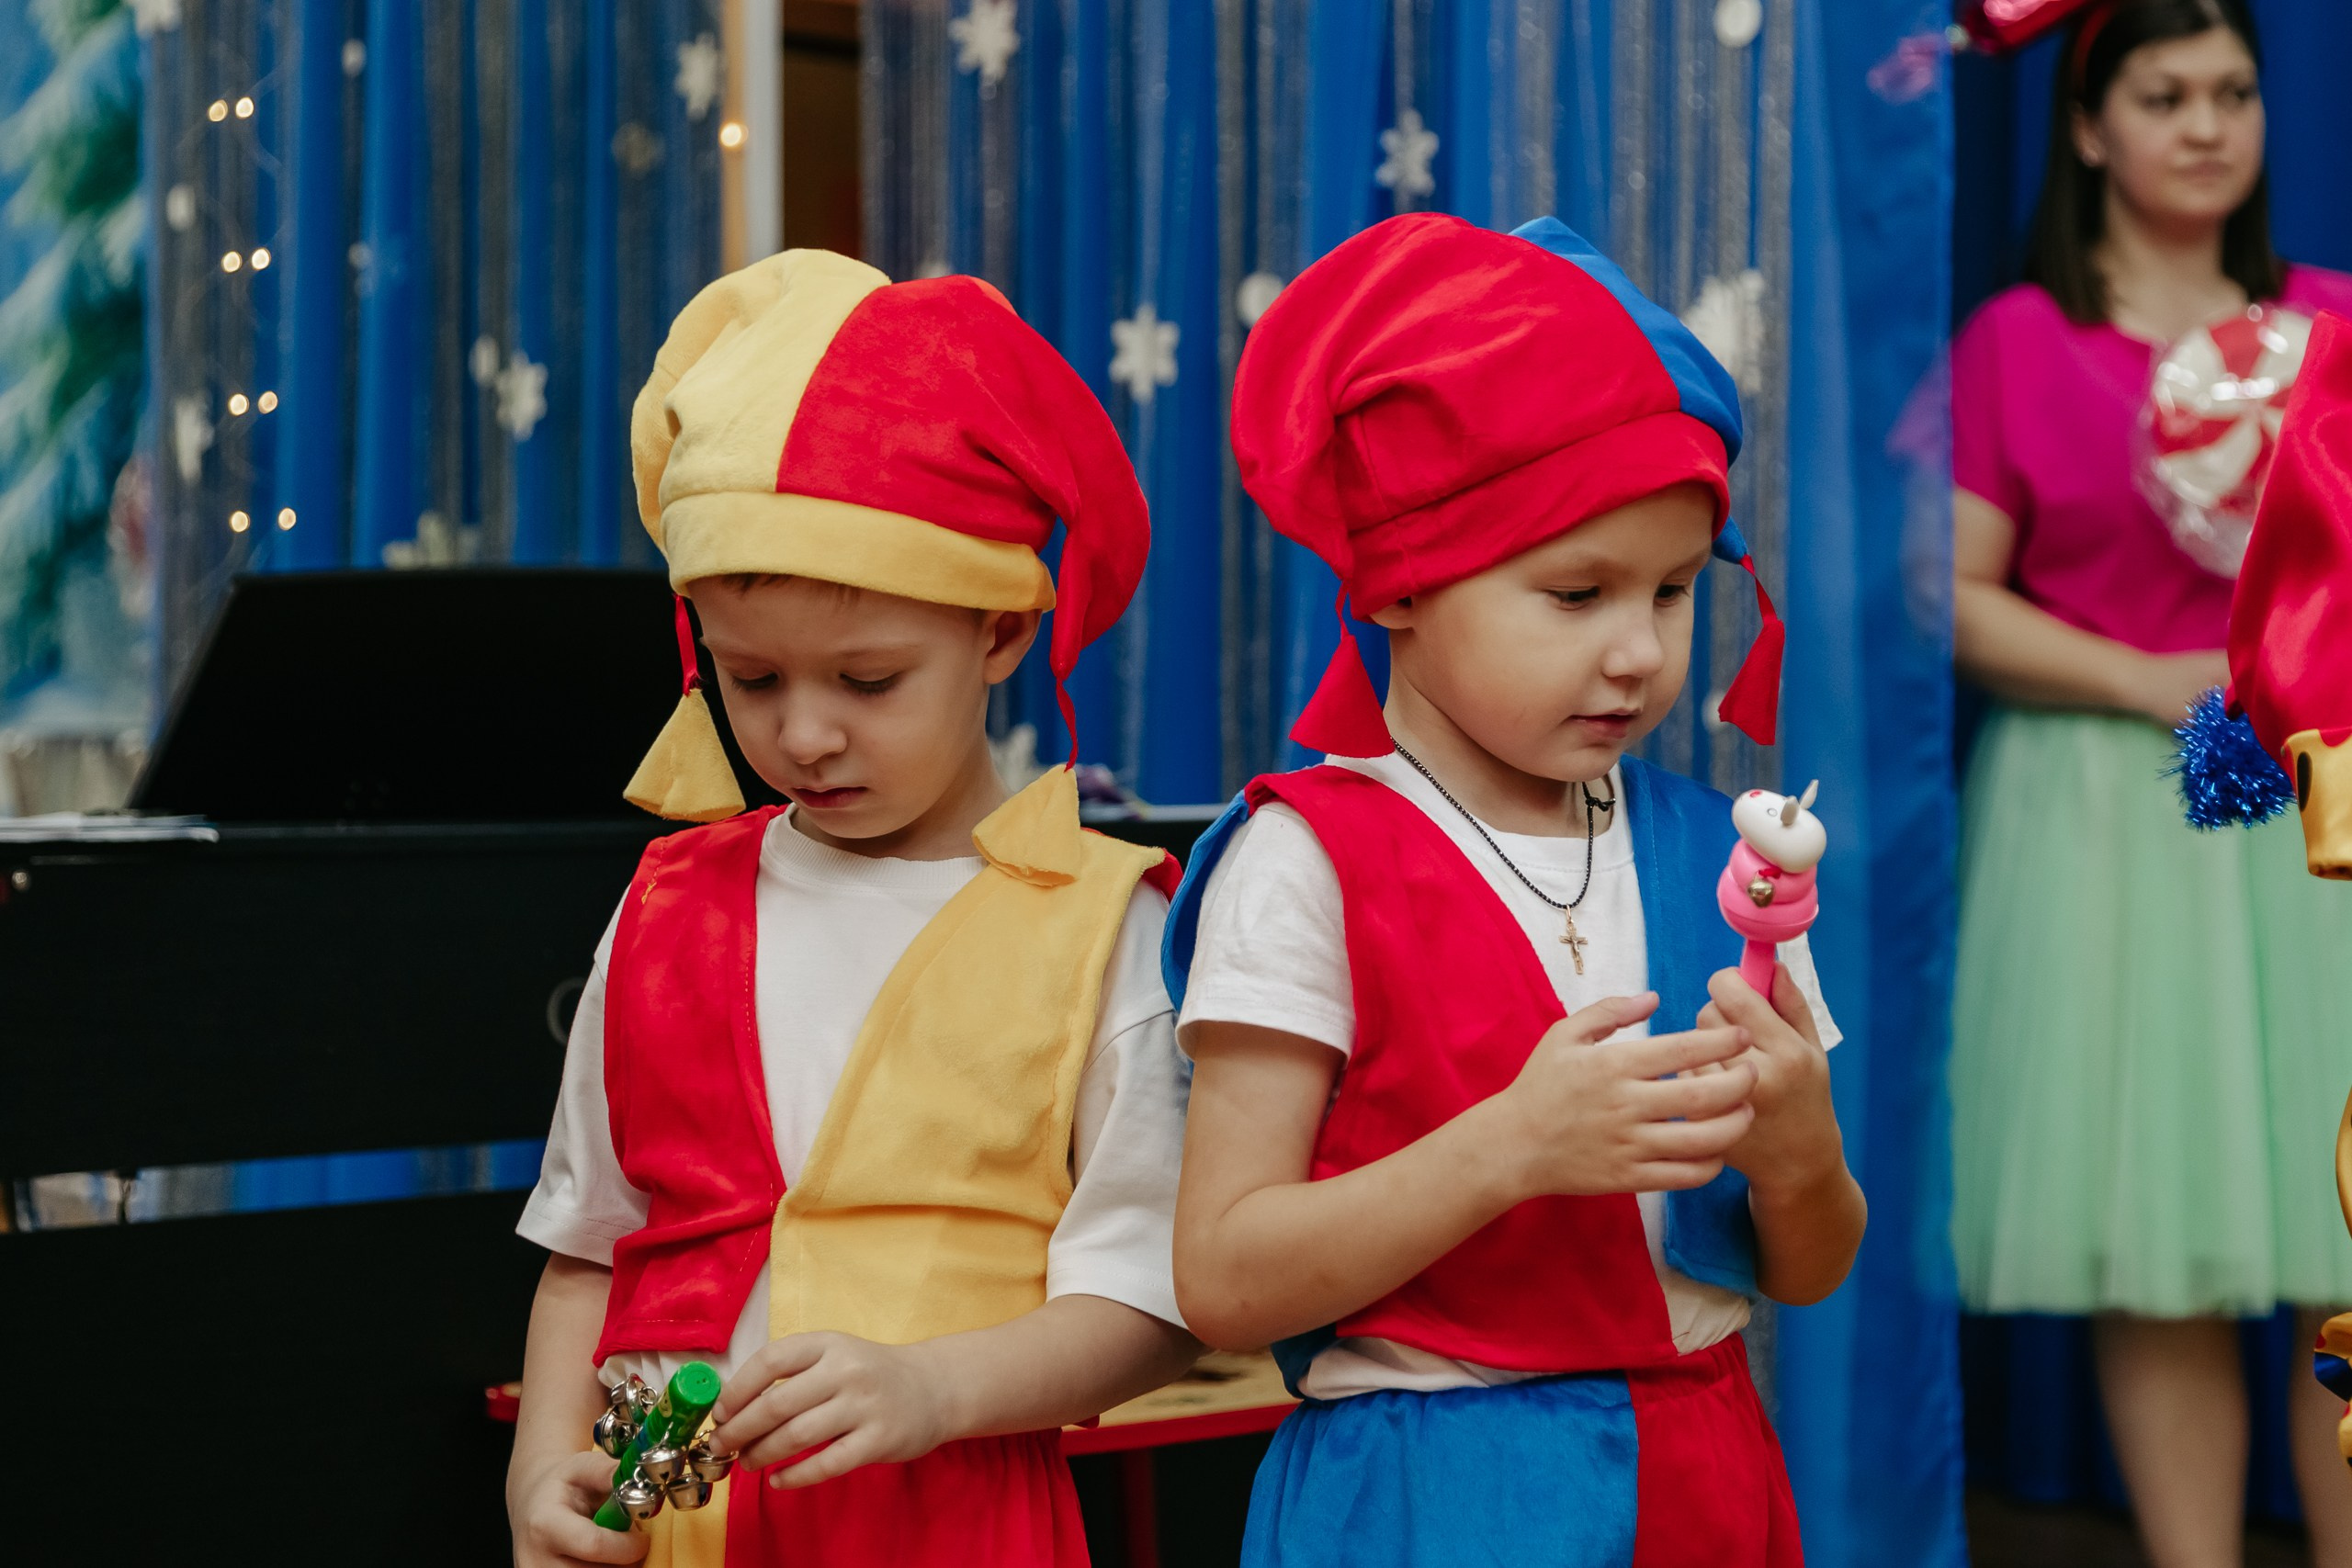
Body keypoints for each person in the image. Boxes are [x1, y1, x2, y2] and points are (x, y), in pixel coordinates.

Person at [1165, 212, 1867, 1567]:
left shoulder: (1725, 852)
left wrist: (1799, 1157)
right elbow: (1223, 1280)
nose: (1635, 655)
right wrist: (1510, 1150)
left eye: (1670, 594)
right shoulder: (1308, 863)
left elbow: (1810, 1265)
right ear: (1402, 584)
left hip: (1705, 1476)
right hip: (1428, 1493)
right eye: (1575, 592)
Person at [503, 250, 1198, 1568]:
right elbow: (589, 1250)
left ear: (1001, 632)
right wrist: (542, 1469)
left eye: (869, 680)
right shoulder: (663, 908)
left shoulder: (1104, 931)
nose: (804, 733)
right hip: (670, 1537)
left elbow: (1153, 1307)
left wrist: (934, 1391)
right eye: (751, 678)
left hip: (952, 1527)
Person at [1946, 3, 2352, 1563]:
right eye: (2166, 94)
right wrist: (2149, 681)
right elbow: (1962, 595)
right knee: (2157, 1244)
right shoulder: (2019, 343)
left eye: (2236, 93)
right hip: (2113, 813)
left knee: (2344, 1229)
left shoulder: (2333, 328)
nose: (2207, 125)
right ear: (2089, 125)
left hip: (2320, 810)